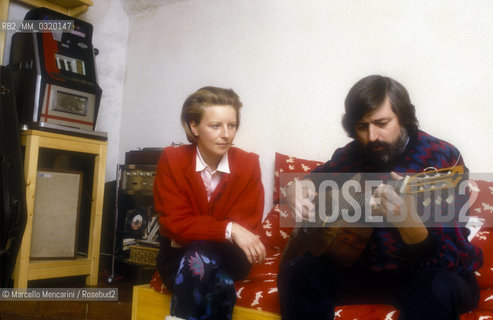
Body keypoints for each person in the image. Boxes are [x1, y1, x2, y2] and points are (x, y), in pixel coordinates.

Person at [277, 75, 483, 320]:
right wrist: (298, 186)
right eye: (362, 127)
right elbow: (318, 177)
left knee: (436, 286)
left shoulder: (442, 158)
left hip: (427, 275)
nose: (371, 136)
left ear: (403, 117)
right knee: (297, 272)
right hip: (366, 273)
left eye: (381, 123)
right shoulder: (353, 153)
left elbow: (451, 257)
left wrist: (412, 228)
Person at [154, 86, 266, 320]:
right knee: (221, 286)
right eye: (215, 126)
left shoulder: (247, 164)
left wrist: (200, 228)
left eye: (232, 125)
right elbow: (174, 224)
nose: (226, 134)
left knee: (199, 252)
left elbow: (247, 223)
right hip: (177, 259)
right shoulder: (172, 160)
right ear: (194, 127)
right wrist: (229, 229)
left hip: (230, 258)